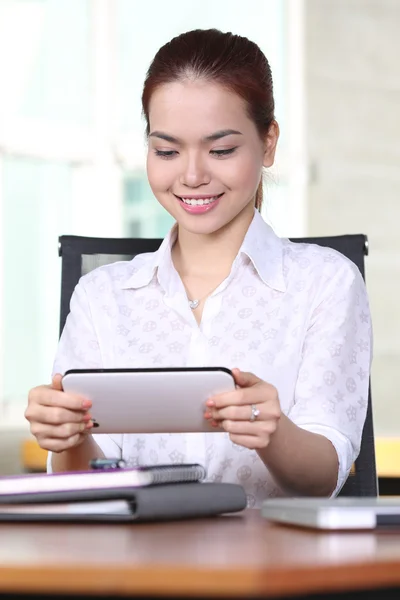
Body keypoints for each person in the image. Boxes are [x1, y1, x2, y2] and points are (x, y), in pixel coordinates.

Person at [25, 29, 372, 506]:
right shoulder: (101, 295)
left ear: (268, 142)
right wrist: (67, 436)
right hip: (131, 566)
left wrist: (273, 434)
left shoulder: (325, 282)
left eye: (221, 150)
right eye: (166, 151)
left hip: (271, 570)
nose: (191, 175)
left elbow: (324, 473)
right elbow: (80, 483)